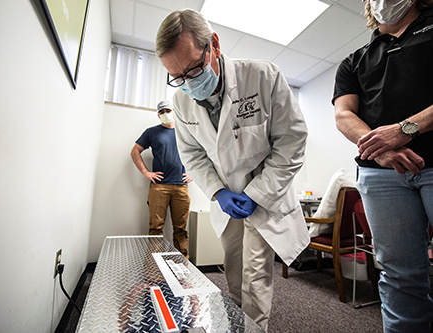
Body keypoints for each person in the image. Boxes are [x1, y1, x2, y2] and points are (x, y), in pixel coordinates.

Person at [156, 9, 309, 330]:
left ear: (214, 45)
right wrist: (218, 191)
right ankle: (239, 323)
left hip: (265, 198)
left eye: (193, 69)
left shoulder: (263, 77)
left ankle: (255, 327)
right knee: (235, 271)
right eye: (177, 77)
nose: (187, 83)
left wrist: (257, 193)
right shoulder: (181, 101)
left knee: (255, 277)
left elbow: (291, 143)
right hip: (226, 203)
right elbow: (193, 155)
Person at [333, 0, 433, 331]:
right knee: (399, 274)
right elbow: (344, 115)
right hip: (380, 176)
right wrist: (382, 152)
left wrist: (405, 129)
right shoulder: (355, 60)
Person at [131, 100, 192, 258]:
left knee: (181, 229)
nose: (166, 114)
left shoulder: (184, 131)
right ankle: (154, 270)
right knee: (155, 229)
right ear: (158, 115)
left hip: (181, 186)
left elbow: (200, 152)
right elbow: (135, 151)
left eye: (168, 110)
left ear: (174, 111)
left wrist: (193, 173)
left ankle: (182, 268)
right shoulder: (151, 132)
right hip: (159, 187)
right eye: (162, 111)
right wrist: (146, 173)